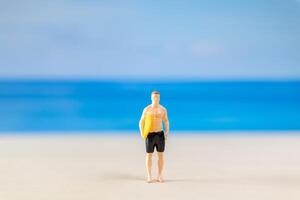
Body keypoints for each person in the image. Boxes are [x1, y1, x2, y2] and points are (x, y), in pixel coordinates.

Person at [139, 91, 170, 183]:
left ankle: (160, 175)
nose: (156, 99)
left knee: (161, 155)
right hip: (150, 134)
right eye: (154, 97)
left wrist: (167, 131)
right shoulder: (147, 109)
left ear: (159, 98)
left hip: (160, 134)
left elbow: (166, 121)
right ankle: (149, 175)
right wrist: (142, 132)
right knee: (149, 155)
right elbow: (141, 122)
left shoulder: (163, 109)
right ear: (151, 98)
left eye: (157, 97)